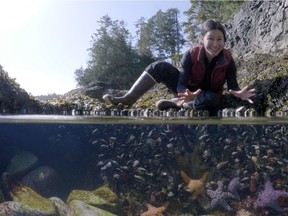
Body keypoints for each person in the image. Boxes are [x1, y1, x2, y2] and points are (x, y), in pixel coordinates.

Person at [102, 19, 256, 116]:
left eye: (219, 39)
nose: (215, 44)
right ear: (202, 39)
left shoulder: (228, 59)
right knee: (159, 66)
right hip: (187, 90)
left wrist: (239, 94)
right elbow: (181, 82)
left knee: (212, 99)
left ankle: (178, 104)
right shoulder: (190, 54)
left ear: (224, 41)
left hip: (208, 95)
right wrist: (184, 93)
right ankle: (129, 99)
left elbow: (233, 86)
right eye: (210, 38)